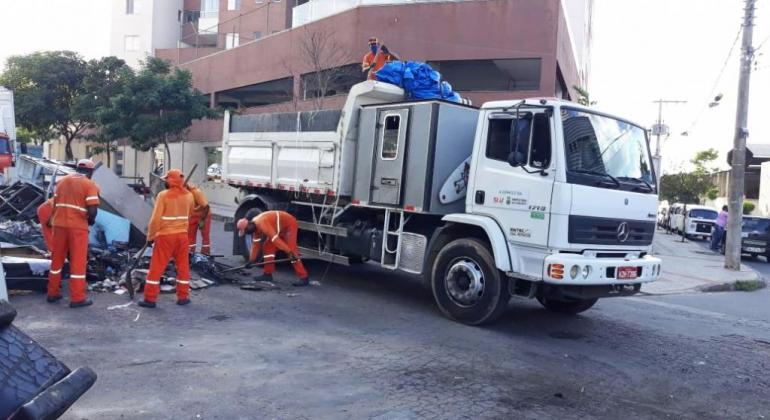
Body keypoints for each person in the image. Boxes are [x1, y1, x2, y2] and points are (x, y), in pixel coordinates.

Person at [138, 169, 195, 308]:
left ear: (170, 181)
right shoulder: (189, 196)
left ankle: (150, 299)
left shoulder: (163, 195)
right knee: (183, 267)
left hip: (165, 236)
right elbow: (190, 213)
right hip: (182, 235)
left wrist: (150, 236)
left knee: (157, 267)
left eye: (166, 180)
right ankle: (183, 297)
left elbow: (155, 219)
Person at [47, 159, 100, 308]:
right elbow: (92, 210)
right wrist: (90, 221)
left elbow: (54, 204)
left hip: (58, 225)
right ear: (90, 172)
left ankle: (52, 293)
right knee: (78, 262)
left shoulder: (62, 182)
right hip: (77, 227)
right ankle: (77, 298)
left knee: (56, 260)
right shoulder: (89, 185)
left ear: (77, 169)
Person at [236, 211, 310, 287]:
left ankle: (304, 277)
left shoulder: (261, 223)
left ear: (248, 225)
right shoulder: (255, 228)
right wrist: (251, 261)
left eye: (246, 231)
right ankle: (267, 274)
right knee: (267, 247)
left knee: (292, 251)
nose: (247, 233)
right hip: (279, 229)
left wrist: (289, 252)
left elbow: (275, 239)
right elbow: (255, 245)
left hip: (289, 225)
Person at [186, 183, 211, 255]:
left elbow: (206, 207)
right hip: (193, 215)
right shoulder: (183, 193)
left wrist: (202, 221)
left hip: (204, 215)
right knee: (190, 236)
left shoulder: (196, 192)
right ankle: (190, 253)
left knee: (205, 235)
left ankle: (205, 254)